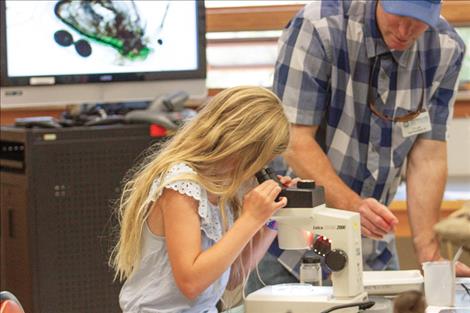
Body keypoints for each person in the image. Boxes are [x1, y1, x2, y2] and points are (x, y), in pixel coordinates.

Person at [248, 0, 469, 292]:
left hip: (372, 249)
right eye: (399, 14)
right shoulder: (319, 27)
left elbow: (427, 156)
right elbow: (294, 139)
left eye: (418, 19)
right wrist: (354, 206)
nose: (405, 30)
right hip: (290, 244)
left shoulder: (445, 48)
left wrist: (429, 254)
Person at [110, 86, 297, 313]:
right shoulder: (181, 186)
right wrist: (249, 219)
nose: (258, 170)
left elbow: (231, 277)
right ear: (241, 147)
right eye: (260, 160)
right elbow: (191, 283)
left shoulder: (220, 189)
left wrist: (269, 220)